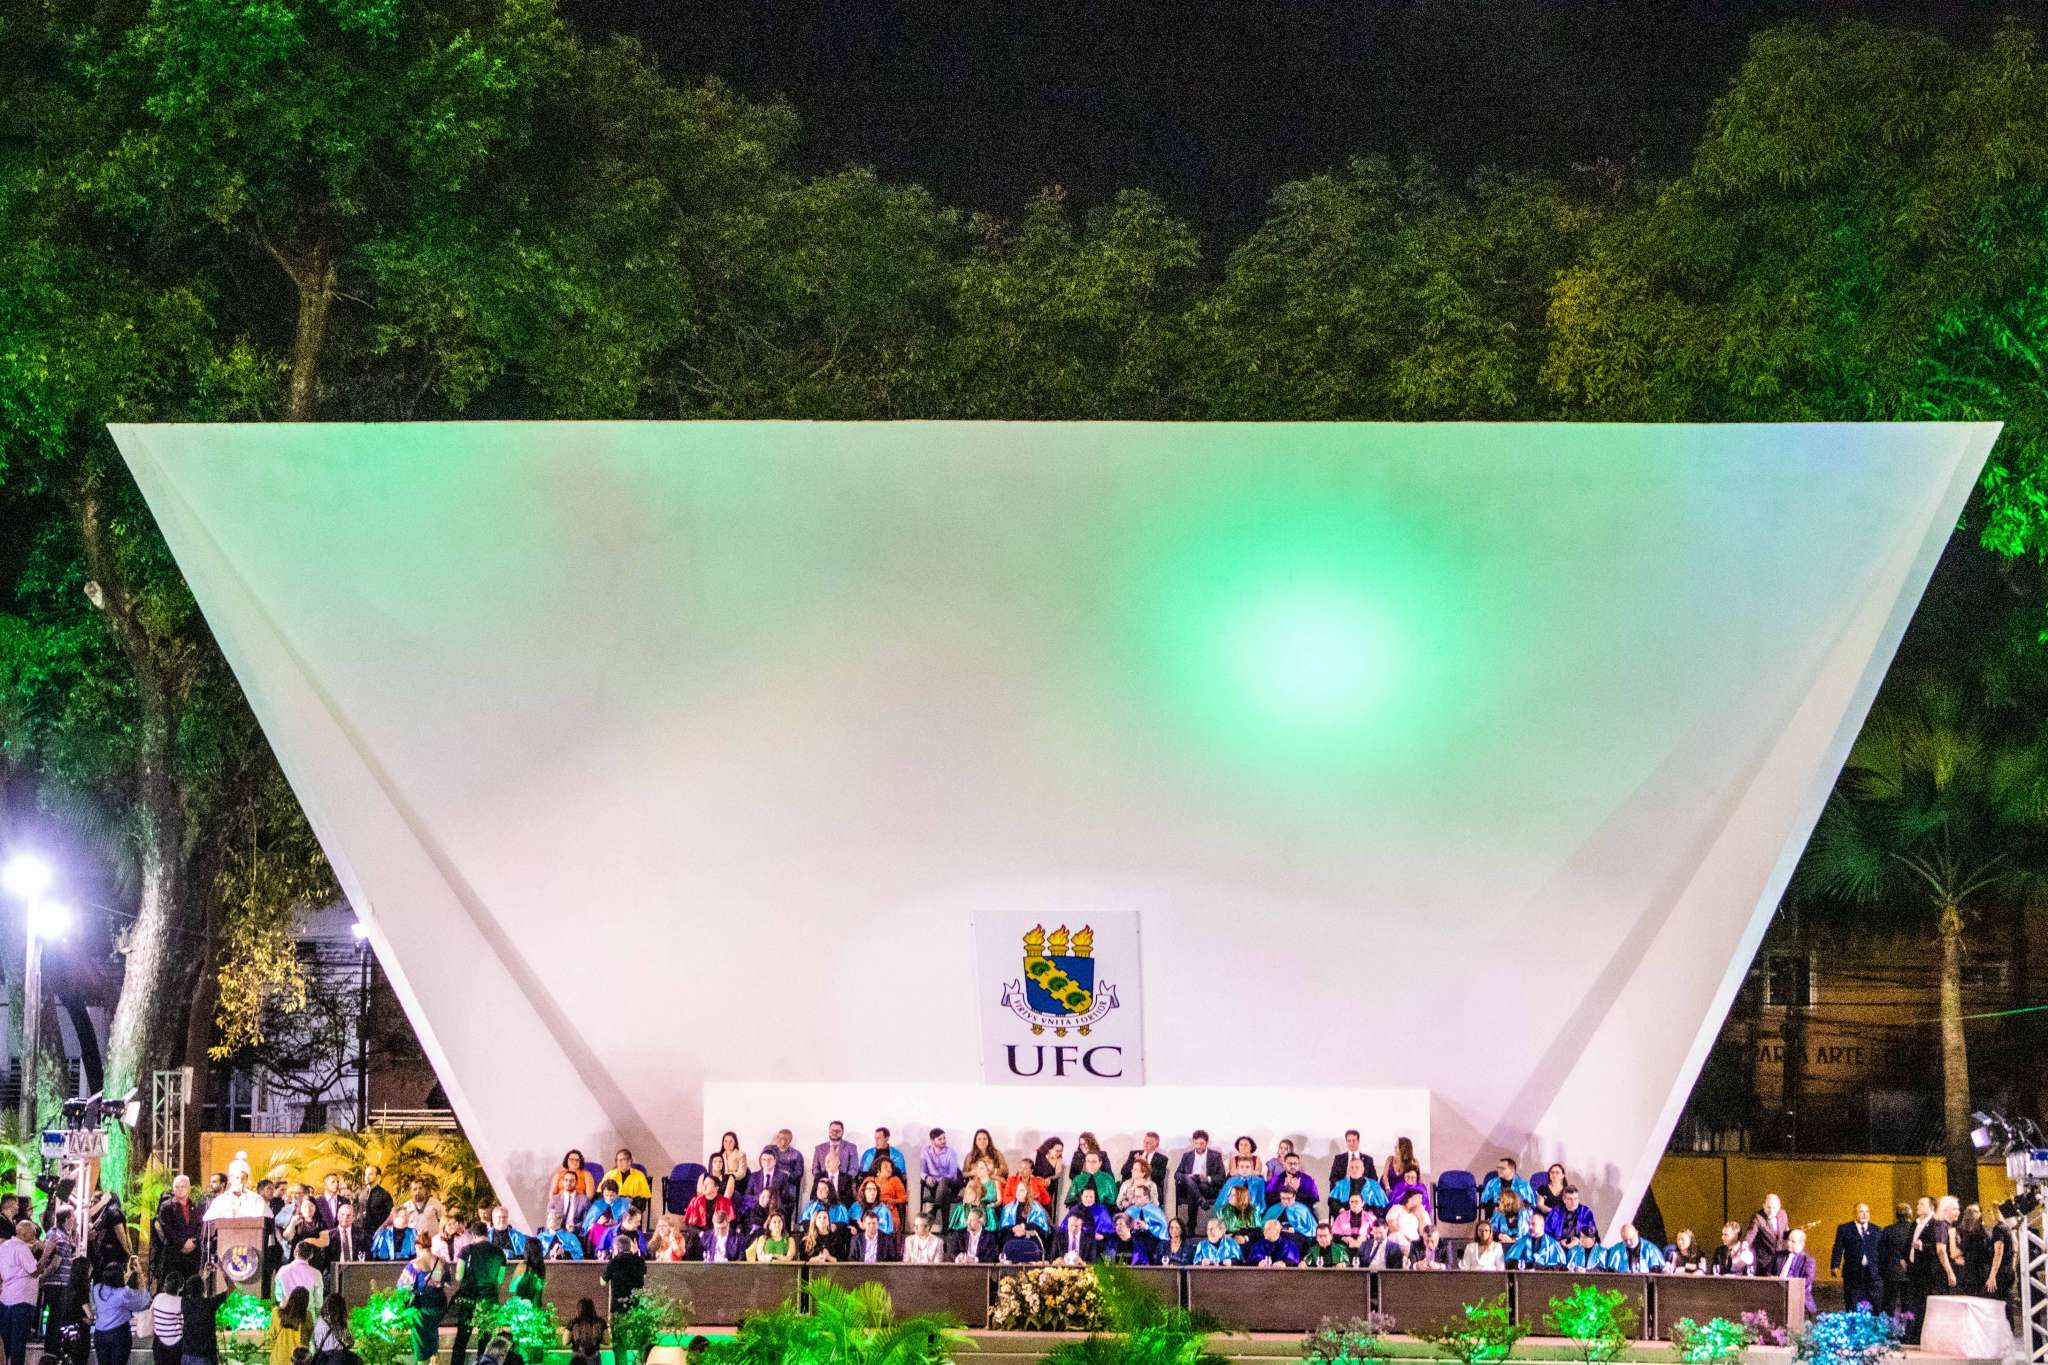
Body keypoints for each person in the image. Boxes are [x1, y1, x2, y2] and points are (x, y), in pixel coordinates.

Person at [89, 1260, 151, 1365]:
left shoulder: (97, 1289)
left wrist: (128, 1273)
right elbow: (144, 1301)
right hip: (119, 1334)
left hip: (100, 1335)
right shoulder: (123, 1293)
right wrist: (140, 1274)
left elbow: (114, 1284)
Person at [0, 1221, 42, 1365]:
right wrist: (46, 1253)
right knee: (18, 1343)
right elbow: (34, 1271)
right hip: (22, 1301)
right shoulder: (22, 1248)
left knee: (5, 1343)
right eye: (33, 1232)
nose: (35, 1235)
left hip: (6, 1300)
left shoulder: (4, 1246)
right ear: (24, 1233)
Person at [1832, 1202, 1884, 1312]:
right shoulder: (1844, 1229)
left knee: (1876, 1305)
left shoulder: (1877, 1230)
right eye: (1861, 1212)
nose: (1865, 1214)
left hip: (1873, 1274)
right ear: (1854, 1214)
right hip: (1853, 1273)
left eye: (1867, 1212)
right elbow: (1838, 1248)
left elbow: (1882, 1251)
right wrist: (1835, 1265)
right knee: (1852, 1304)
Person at [151, 1178, 203, 1286]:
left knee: (191, 1286)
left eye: (183, 1187)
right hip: (174, 1253)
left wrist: (193, 1242)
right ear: (173, 1189)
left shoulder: (196, 1206)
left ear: (189, 1188)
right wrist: (183, 1243)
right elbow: (167, 1229)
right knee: (173, 1287)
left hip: (193, 1254)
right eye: (177, 1187)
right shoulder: (166, 1206)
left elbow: (200, 1226)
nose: (180, 1189)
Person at [177, 1272, 231, 1365]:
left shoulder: (184, 1303)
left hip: (187, 1354)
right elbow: (230, 1291)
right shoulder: (210, 1303)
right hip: (205, 1356)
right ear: (203, 1288)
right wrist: (226, 1275)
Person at [1175, 1133, 1225, 1232]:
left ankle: (1191, 1226)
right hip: (1190, 1183)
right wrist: (1188, 1177)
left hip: (1206, 1187)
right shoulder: (1187, 1155)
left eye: (1201, 1143)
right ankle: (1200, 1200)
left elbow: (1222, 1177)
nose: (1198, 1146)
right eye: (1196, 1143)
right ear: (1193, 1142)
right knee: (1188, 1180)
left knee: (1193, 1190)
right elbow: (1177, 1174)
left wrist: (1207, 1178)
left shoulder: (1215, 1156)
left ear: (1207, 1143)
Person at [204, 1155, 268, 1221]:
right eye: (236, 1177)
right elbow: (210, 1220)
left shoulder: (256, 1199)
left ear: (247, 1179)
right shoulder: (220, 1200)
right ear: (230, 1179)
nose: (239, 1181)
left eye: (243, 1178)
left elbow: (263, 1219)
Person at [1880, 1203, 1915, 1316]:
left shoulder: (1888, 1230)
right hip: (1910, 1272)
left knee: (1889, 1304)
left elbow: (1882, 1252)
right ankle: (1907, 1325)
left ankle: (1888, 1325)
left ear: (1896, 1215)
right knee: (1908, 1305)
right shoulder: (1915, 1229)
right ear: (1910, 1214)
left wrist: (1883, 1270)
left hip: (1891, 1272)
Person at [601, 1225, 645, 1312]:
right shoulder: (640, 1261)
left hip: (618, 1304)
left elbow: (603, 1282)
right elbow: (644, 1276)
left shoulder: (614, 1262)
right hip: (635, 1303)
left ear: (617, 1249)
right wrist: (636, 1253)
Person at [920, 1130, 962, 1220]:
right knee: (946, 1193)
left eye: (944, 1138)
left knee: (944, 1183)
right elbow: (923, 1172)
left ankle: (935, 1209)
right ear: (932, 1141)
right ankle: (945, 1226)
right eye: (940, 1139)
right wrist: (927, 1177)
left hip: (952, 1184)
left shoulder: (951, 1152)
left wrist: (940, 1182)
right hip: (935, 1186)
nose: (943, 1141)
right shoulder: (926, 1152)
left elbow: (952, 1174)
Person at [1746, 1194, 1789, 1275]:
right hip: (1764, 1260)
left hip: (1781, 1258)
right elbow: (1751, 1233)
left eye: (1774, 1208)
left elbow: (1786, 1231)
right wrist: (1746, 1244)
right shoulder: (1758, 1217)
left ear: (1779, 1207)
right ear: (1764, 1206)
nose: (1771, 1210)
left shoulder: (1783, 1214)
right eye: (1768, 1207)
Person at [275, 1244, 323, 1316]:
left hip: (287, 1316)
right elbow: (318, 1301)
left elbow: (279, 1297)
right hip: (308, 1316)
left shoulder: (282, 1271)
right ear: (311, 1255)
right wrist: (317, 1315)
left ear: (295, 1252)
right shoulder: (316, 1273)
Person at [145, 1270, 182, 1365]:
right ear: (181, 1287)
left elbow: (151, 1314)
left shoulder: (158, 1297)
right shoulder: (182, 1302)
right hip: (176, 1345)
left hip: (158, 1343)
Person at [1782, 1228, 1819, 1317]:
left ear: (1801, 1244)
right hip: (1778, 1298)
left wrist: (1791, 1288)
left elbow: (1807, 1280)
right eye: (1788, 1240)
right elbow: (1769, 1273)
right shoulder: (1779, 1257)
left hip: (1799, 1301)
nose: (1789, 1243)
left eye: (1793, 1241)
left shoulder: (1808, 1261)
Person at [311, 1294, 350, 1365]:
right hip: (338, 1359)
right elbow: (348, 1342)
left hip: (322, 1359)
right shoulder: (339, 1323)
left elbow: (316, 1342)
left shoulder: (319, 1321)